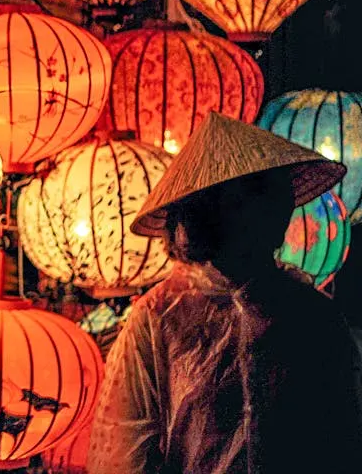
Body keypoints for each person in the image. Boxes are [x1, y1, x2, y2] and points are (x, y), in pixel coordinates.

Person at [89, 113, 362, 474]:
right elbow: (127, 449)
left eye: (273, 204)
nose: (276, 220)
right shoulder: (159, 316)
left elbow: (341, 433)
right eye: (247, 207)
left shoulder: (310, 313)